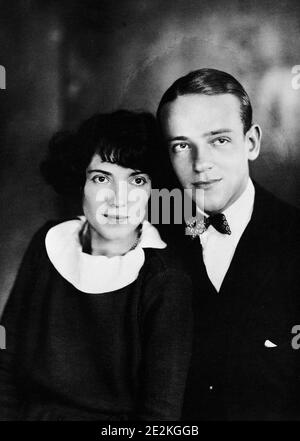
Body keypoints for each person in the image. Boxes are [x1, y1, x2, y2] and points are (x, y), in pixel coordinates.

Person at [0, 110, 192, 421]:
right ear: (80, 183)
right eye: (102, 178)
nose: (119, 199)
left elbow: (160, 419)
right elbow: (4, 363)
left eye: (137, 180)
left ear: (153, 192)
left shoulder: (165, 280)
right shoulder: (48, 243)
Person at [157, 68, 300, 420]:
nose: (200, 164)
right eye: (181, 145)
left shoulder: (294, 234)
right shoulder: (154, 229)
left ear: (251, 143)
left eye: (219, 140)